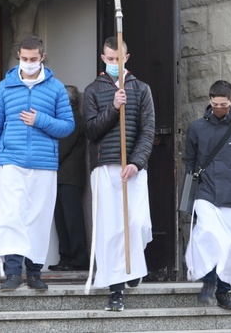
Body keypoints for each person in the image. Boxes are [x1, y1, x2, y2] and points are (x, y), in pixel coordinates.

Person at [0, 35, 75, 291]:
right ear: (18, 57)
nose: (28, 63)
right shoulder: (4, 87)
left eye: (33, 59)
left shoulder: (56, 88)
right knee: (11, 215)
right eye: (24, 59)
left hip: (44, 164)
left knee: (38, 218)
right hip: (11, 160)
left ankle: (34, 273)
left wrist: (40, 120)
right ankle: (12, 273)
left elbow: (68, 126)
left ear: (42, 57)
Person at [83, 37, 155, 311]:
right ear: (103, 59)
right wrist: (113, 108)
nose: (114, 63)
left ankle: (133, 268)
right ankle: (115, 289)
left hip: (133, 170)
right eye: (110, 59)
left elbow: (148, 129)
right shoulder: (93, 91)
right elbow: (90, 130)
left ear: (127, 57)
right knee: (110, 230)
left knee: (135, 224)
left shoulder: (142, 89)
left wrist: (136, 162)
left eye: (118, 59)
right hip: (104, 167)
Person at [184, 80, 231, 311]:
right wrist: (188, 196)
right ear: (209, 101)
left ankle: (224, 292)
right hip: (205, 193)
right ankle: (208, 283)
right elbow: (189, 163)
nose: (218, 108)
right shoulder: (196, 128)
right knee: (207, 235)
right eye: (214, 104)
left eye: (223, 104)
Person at [48, 85, 90, 272]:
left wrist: (46, 162)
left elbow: (62, 148)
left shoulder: (72, 117)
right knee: (61, 220)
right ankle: (65, 257)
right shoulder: (66, 117)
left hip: (69, 176)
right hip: (60, 177)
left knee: (72, 219)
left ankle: (78, 259)